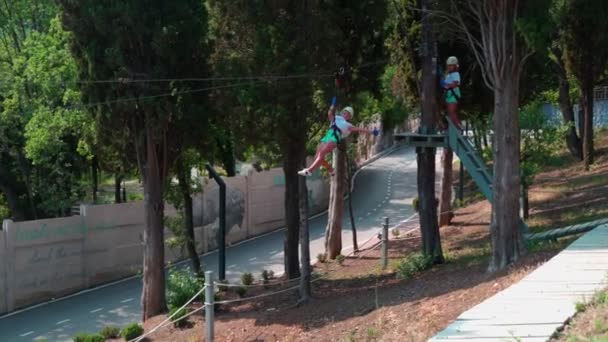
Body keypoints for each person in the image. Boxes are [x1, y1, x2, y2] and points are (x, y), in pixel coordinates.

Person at [298, 97, 377, 177]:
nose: (345, 113)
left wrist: (372, 132)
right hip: (327, 136)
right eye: (344, 112)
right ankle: (330, 169)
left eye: (347, 113)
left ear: (349, 117)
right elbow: (330, 114)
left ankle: (309, 171)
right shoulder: (336, 118)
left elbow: (360, 129)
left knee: (322, 153)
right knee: (317, 156)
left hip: (335, 137)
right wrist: (332, 105)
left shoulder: (348, 125)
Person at [442, 56, 463, 129]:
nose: (450, 67)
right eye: (449, 66)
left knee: (452, 112)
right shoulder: (449, 75)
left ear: (455, 66)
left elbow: (456, 83)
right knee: (450, 113)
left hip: (453, 94)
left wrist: (448, 86)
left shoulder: (456, 74)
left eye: (451, 65)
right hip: (448, 94)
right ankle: (452, 128)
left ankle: (459, 128)